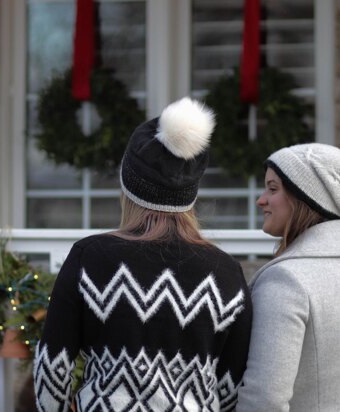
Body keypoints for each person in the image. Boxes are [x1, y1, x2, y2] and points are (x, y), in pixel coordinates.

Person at [33, 97, 252, 411]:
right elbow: (232, 386)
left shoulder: (90, 257)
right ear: (191, 194)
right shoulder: (226, 271)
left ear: (127, 190)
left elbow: (53, 369)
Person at [237, 143, 340, 411]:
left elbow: (264, 400)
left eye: (273, 189)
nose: (261, 200)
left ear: (307, 197)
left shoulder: (286, 280)